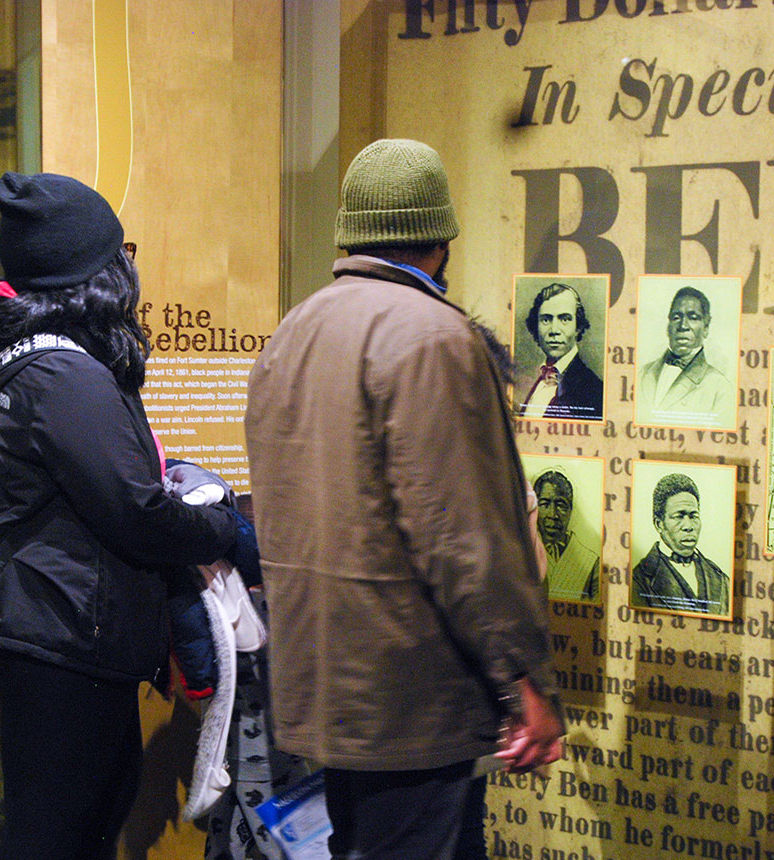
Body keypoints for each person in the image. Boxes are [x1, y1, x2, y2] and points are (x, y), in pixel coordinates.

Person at [245, 139, 564, 860]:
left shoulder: (293, 334)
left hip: (327, 686)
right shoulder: (435, 339)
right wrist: (525, 681)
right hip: (413, 694)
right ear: (443, 238)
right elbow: (466, 538)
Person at [0, 172, 242, 860]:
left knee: (76, 822)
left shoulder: (23, 357)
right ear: (96, 270)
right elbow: (137, 514)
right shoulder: (63, 375)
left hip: (51, 632)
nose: (131, 265)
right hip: (63, 641)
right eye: (123, 251)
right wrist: (227, 527)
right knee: (61, 833)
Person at [631, 473, 731, 616]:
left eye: (693, 516)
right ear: (659, 524)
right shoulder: (639, 578)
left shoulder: (720, 578)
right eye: (679, 516)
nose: (688, 526)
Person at [636, 285, 733, 426]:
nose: (683, 325)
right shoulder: (642, 374)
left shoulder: (719, 387)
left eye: (693, 318)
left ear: (706, 328)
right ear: (668, 327)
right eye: (676, 317)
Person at [519, 282, 602, 420]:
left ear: (578, 327)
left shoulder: (594, 390)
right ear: (536, 325)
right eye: (546, 320)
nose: (554, 330)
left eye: (564, 319)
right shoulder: (541, 380)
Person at [533, 470, 599, 603]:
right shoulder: (521, 555)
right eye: (545, 504)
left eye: (561, 505)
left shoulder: (590, 561)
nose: (553, 514)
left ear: (570, 510)